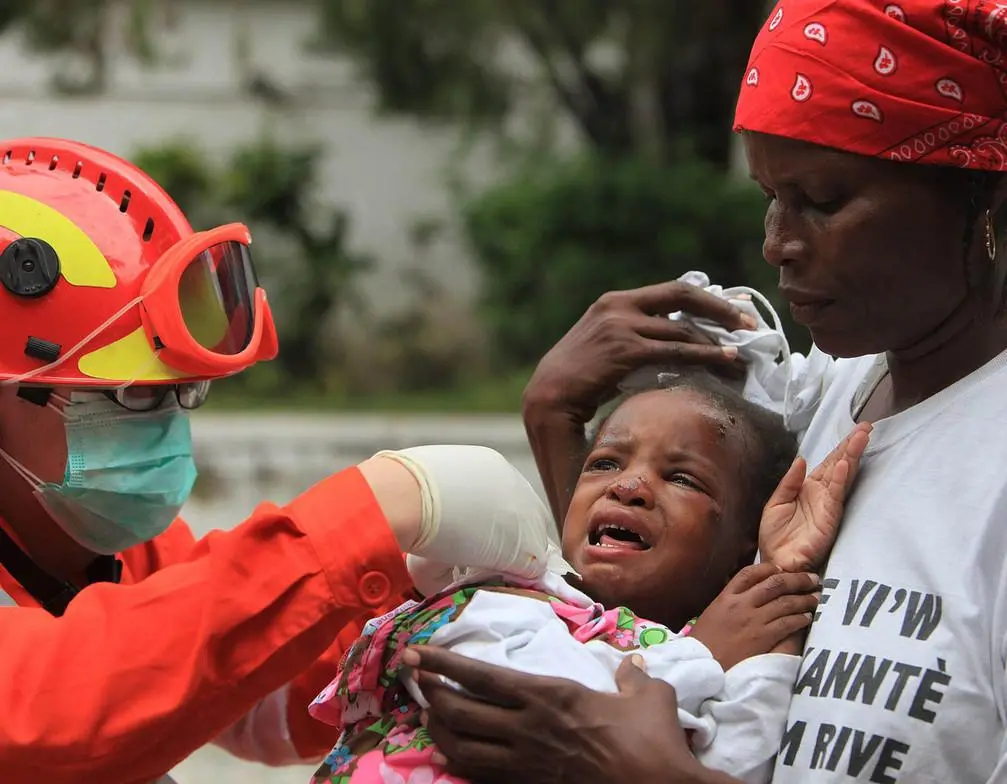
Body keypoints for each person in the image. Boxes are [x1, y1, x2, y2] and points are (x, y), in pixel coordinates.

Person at [401, 2, 1007, 782]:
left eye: (822, 201)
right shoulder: (830, 390)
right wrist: (554, 418)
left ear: (981, 198)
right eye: (769, 196)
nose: (777, 243)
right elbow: (656, 619)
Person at [0, 137, 556, 784]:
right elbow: (51, 711)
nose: (163, 430)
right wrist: (372, 513)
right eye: (127, 397)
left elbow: (245, 689)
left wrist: (402, 604)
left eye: (180, 394)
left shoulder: (95, 544)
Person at [307, 371, 869, 784]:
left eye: (682, 478)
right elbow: (541, 710)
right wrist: (705, 658)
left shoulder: (714, 640)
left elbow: (737, 763)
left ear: (742, 540)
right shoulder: (499, 601)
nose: (629, 486)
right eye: (605, 463)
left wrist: (780, 583)